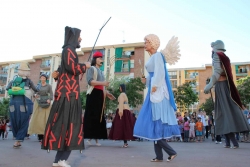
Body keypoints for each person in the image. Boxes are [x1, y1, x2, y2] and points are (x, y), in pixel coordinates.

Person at [41, 26, 90, 167]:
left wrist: (56, 74)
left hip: (65, 93)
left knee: (64, 126)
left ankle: (58, 160)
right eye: (79, 36)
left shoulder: (68, 51)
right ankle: (61, 159)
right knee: (70, 125)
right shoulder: (69, 50)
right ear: (73, 37)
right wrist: (84, 66)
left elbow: (63, 69)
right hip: (69, 95)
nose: (80, 38)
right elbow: (72, 68)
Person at [133, 34, 180, 162]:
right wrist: (147, 80)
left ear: (153, 43)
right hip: (154, 90)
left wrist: (154, 85)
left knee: (156, 122)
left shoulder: (158, 56)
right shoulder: (154, 57)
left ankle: (171, 152)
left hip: (157, 92)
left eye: (146, 42)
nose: (145, 44)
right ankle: (159, 156)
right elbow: (154, 74)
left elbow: (160, 72)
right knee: (155, 123)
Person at [204, 40, 250, 149]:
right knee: (224, 114)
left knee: (223, 114)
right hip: (225, 86)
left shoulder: (217, 55)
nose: (211, 50)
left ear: (215, 47)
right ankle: (229, 142)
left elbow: (217, 71)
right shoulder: (225, 57)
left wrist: (209, 85)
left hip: (221, 86)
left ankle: (233, 142)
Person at [84, 51, 115, 146]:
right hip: (93, 94)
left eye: (102, 58)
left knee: (99, 116)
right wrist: (103, 83)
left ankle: (96, 138)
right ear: (95, 59)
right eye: (99, 58)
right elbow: (90, 82)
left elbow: (102, 86)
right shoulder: (91, 69)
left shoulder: (101, 72)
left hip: (100, 94)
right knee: (92, 116)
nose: (101, 60)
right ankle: (89, 137)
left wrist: (108, 94)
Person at [6, 62, 37, 148]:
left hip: (13, 102)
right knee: (24, 122)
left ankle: (17, 139)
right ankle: (17, 140)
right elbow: (35, 89)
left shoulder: (14, 80)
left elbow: (7, 88)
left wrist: (15, 90)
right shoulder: (29, 81)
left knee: (14, 120)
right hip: (25, 102)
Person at [28, 74, 53, 142]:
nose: (42, 79)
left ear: (46, 79)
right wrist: (35, 95)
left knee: (46, 118)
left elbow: (51, 94)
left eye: (44, 78)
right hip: (38, 102)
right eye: (41, 78)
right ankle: (39, 135)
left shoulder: (49, 86)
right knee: (37, 118)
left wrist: (49, 99)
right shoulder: (38, 85)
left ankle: (45, 134)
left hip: (46, 103)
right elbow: (34, 93)